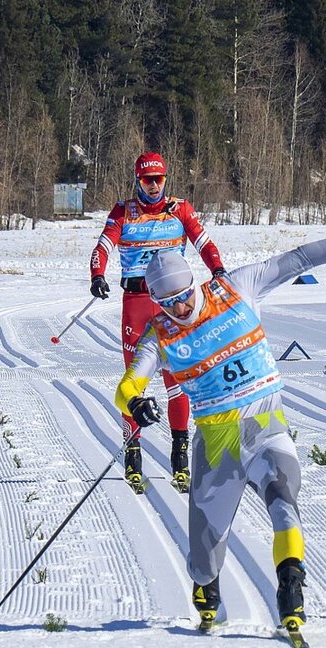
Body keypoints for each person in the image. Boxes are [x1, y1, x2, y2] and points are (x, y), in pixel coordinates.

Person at [113, 223, 326, 636]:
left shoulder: (238, 287)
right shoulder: (159, 335)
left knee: (283, 499)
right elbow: (128, 383)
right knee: (204, 560)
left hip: (266, 426)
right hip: (217, 446)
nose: (181, 309)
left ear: (194, 282)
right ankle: (208, 589)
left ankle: (291, 589)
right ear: (155, 301)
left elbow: (305, 256)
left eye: (185, 296)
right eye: (168, 303)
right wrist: (135, 401)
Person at [90, 152, 227, 495]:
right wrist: (97, 274)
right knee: (134, 381)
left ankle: (180, 460)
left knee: (176, 379)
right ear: (137, 180)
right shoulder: (123, 211)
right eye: (148, 180)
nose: (154, 186)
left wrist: (218, 270)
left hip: (173, 303)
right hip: (136, 302)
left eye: (159, 179)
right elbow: (103, 245)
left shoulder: (180, 209)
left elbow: (203, 241)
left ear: (167, 179)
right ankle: (133, 459)